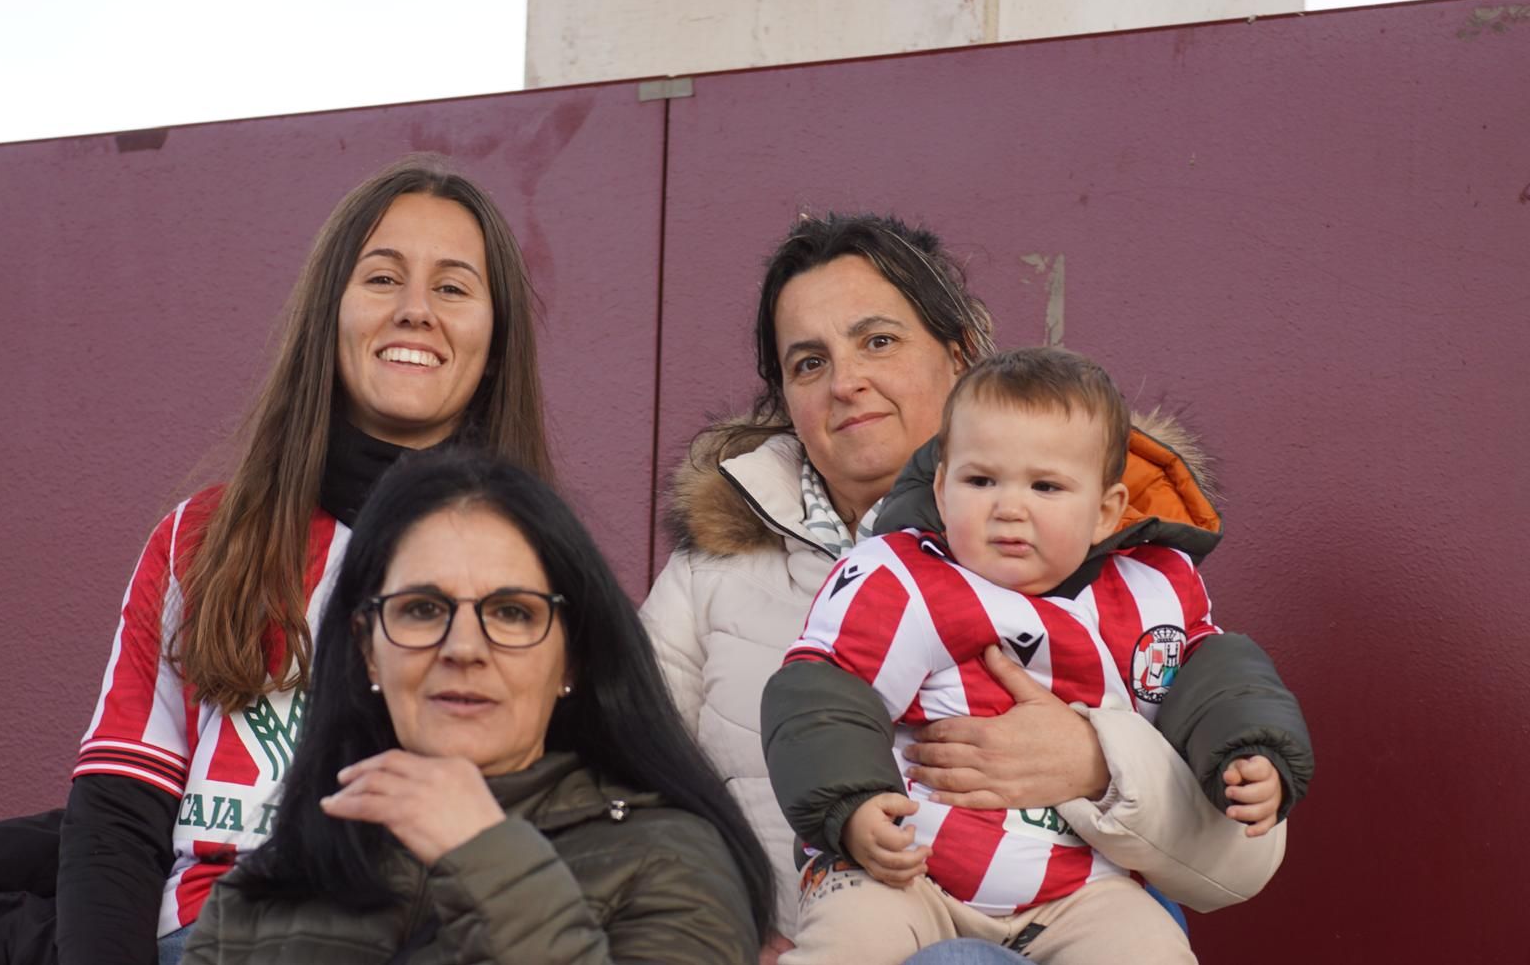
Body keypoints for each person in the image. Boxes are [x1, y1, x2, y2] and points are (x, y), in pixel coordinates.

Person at [0, 154, 555, 965]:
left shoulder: (540, 564)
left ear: (495, 338)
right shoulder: (205, 535)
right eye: (380, 278)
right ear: (328, 312)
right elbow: (122, 810)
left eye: (452, 287)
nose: (414, 311)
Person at [639, 212, 1290, 951]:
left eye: (878, 341)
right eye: (808, 363)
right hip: (851, 919)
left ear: (960, 356)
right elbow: (624, 788)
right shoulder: (708, 576)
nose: (846, 382)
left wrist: (1097, 761)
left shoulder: (1118, 567)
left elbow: (1243, 859)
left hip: (1066, 911)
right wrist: (724, 941)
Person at [763, 348, 1314, 964]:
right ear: (942, 488)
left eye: (1045, 486)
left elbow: (1214, 679)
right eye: (981, 481)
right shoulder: (902, 577)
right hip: (910, 870)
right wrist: (851, 807)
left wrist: (1250, 751)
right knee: (853, 940)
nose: (1009, 507)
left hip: (1079, 888)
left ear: (1106, 512)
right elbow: (824, 692)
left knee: (1152, 948)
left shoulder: (1150, 589)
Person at [181, 451, 772, 963]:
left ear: (570, 660)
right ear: (366, 650)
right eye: (422, 609)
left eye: (512, 612)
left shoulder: (672, 860)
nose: (464, 648)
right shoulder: (264, 892)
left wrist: (488, 859)